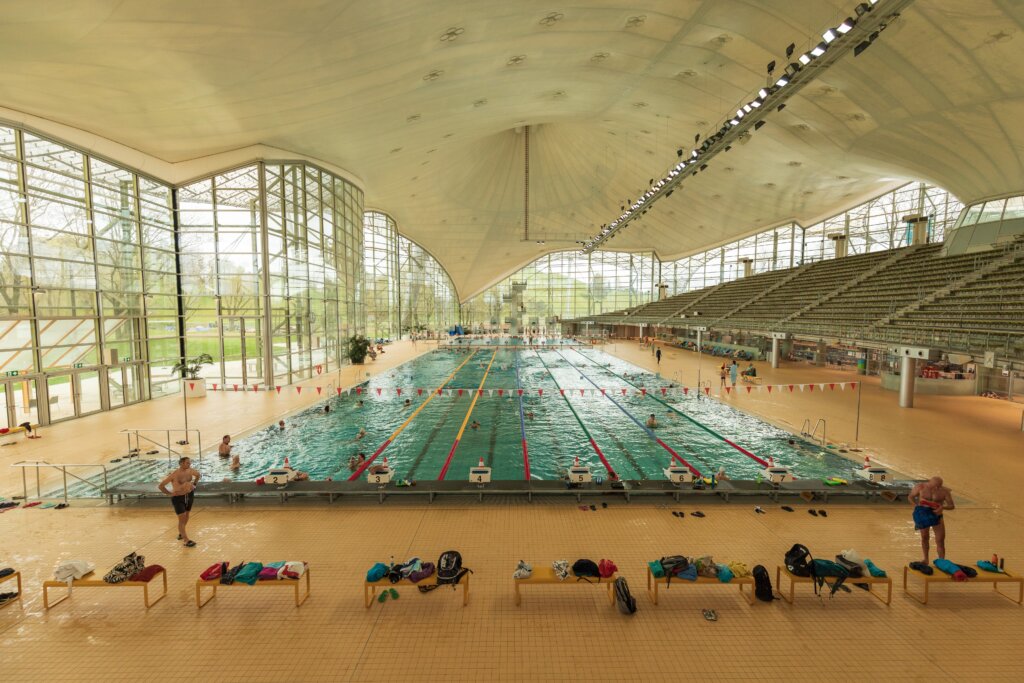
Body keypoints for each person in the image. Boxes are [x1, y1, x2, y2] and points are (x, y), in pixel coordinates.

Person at [909, 477, 955, 563]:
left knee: (940, 539)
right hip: (923, 515)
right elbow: (910, 497)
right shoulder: (920, 487)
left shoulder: (944, 491)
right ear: (929, 483)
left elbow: (951, 506)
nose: (936, 488)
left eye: (938, 487)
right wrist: (915, 506)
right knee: (924, 537)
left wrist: (942, 507)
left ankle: (942, 561)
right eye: (934, 486)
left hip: (937, 515)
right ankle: (926, 559)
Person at [158, 457, 200, 547]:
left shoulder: (190, 471)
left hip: (189, 495)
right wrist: (170, 494)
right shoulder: (174, 474)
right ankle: (186, 540)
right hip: (178, 498)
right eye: (187, 463)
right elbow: (161, 486)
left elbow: (198, 475)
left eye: (189, 463)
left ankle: (182, 532)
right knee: (181, 518)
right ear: (181, 463)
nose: (189, 464)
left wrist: (194, 485)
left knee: (187, 515)